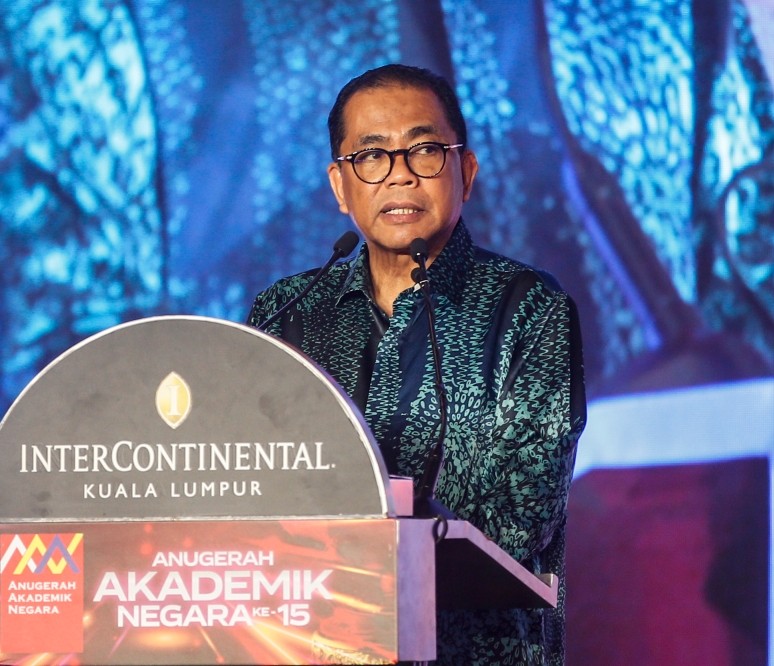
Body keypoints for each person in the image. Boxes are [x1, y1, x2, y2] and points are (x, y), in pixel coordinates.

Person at [248, 64, 586, 666]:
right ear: (340, 185)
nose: (400, 175)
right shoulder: (286, 314)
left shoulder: (530, 309)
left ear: (467, 171)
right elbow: (249, 489)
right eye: (372, 157)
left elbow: (517, 520)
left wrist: (362, 530)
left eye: (426, 150)